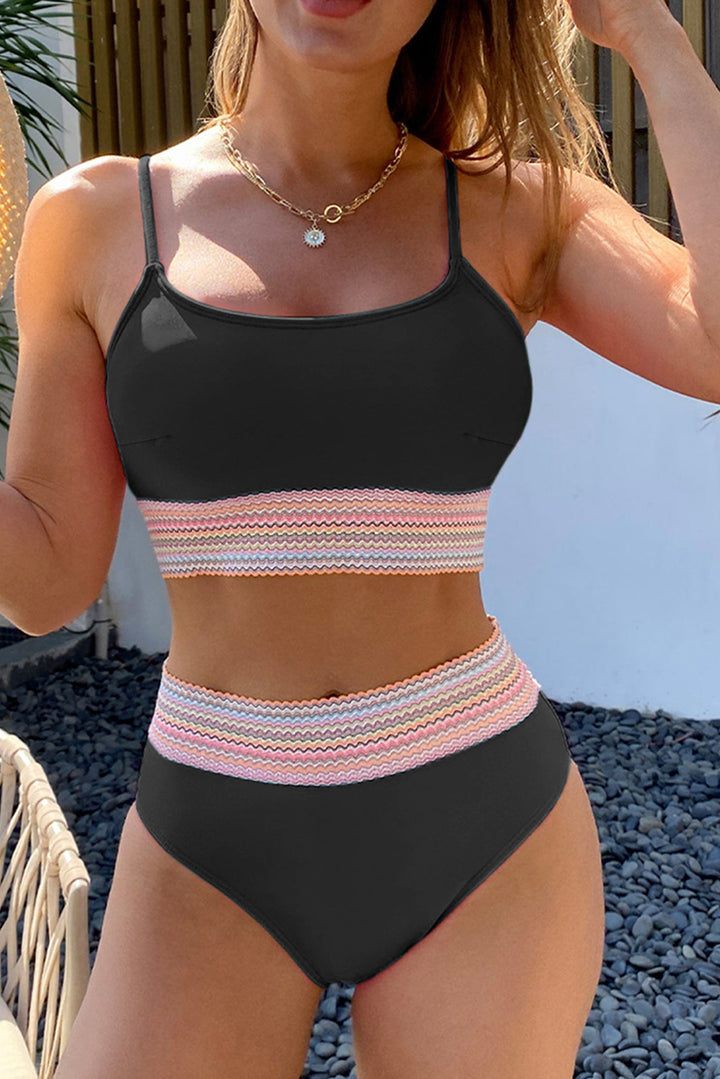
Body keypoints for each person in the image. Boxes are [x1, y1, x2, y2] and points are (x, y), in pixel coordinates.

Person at [3, 0, 719, 1076]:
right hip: (210, 843)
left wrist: (651, 37)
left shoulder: (517, 211)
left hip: (484, 833)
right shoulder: (98, 220)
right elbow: (46, 580)